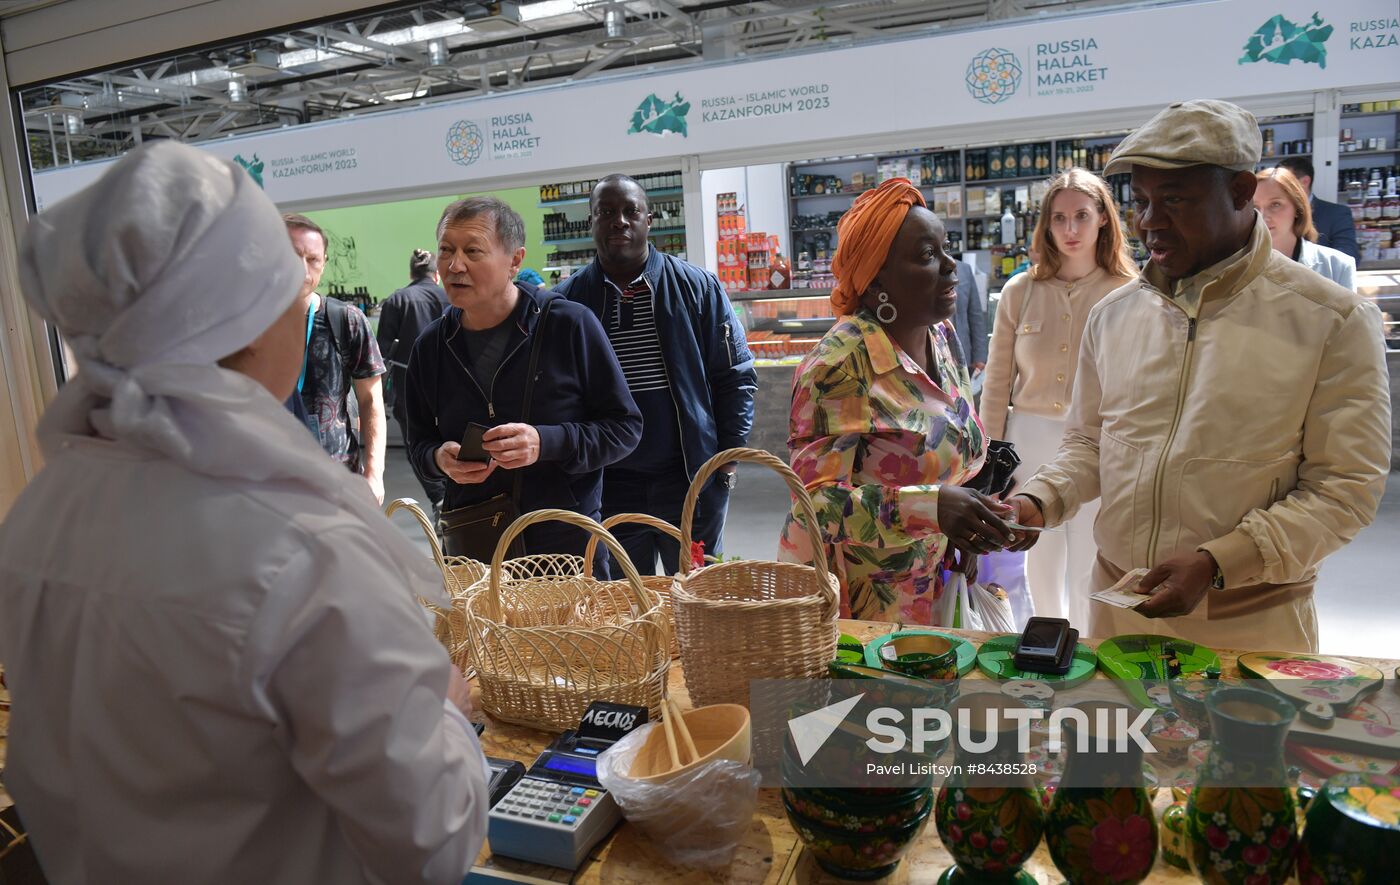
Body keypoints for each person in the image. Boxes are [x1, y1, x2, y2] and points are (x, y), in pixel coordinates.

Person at [0, 142, 490, 883]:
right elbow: (432, 837)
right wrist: (446, 711)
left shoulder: (41, 511)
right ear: (256, 322)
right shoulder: (301, 546)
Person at [1009, 100, 1391, 652]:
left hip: (1251, 631)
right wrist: (1038, 500)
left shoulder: (1331, 321)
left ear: (1239, 191)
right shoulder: (1115, 316)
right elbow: (1091, 444)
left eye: (1175, 200)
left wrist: (1218, 562)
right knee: (1120, 740)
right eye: (1141, 201)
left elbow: (1344, 491)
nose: (1149, 221)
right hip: (1118, 620)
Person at [778, 178, 1020, 624]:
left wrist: (965, 519)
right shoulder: (838, 366)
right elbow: (815, 504)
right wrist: (935, 508)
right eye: (928, 256)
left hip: (938, 580)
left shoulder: (941, 336)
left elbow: (955, 439)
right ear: (876, 284)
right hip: (864, 607)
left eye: (946, 248)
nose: (951, 266)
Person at [404, 196, 642, 562]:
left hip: (566, 548)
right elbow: (419, 443)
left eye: (473, 251)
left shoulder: (568, 325)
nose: (455, 265)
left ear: (514, 260)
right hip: (477, 550)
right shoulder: (430, 347)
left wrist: (545, 442)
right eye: (446, 250)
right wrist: (440, 459)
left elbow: (624, 428)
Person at [554, 174, 757, 575]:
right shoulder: (568, 304)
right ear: (591, 222)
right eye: (607, 213)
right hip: (609, 485)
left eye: (631, 211)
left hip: (689, 479)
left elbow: (734, 374)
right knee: (629, 602)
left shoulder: (698, 287)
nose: (620, 221)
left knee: (699, 596)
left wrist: (728, 457)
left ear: (650, 220)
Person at [980, 168, 1139, 628]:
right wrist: (991, 454)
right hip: (1029, 439)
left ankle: (1090, 645)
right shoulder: (1020, 290)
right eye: (1059, 218)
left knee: (1093, 553)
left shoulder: (1128, 291)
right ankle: (1049, 641)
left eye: (1082, 216)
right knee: (1038, 553)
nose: (1071, 230)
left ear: (1104, 220)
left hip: (1099, 440)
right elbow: (997, 381)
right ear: (1046, 225)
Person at [285, 213, 388, 503]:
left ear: (325, 262)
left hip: (338, 486)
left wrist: (374, 474)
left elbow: (371, 401)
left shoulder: (346, 320)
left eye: (313, 259)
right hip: (268, 487)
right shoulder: (249, 324)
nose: (303, 271)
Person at [377, 248, 450, 510]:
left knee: (417, 442)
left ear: (411, 272)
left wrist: (381, 395)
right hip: (451, 381)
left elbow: (382, 352)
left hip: (408, 384)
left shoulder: (397, 300)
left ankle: (438, 497)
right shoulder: (450, 296)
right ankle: (455, 497)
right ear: (437, 275)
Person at [1255, 166, 1356, 290]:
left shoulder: (1338, 266)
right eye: (1255, 207)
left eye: (1275, 204)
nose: (1263, 216)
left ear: (1297, 208)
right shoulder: (1237, 266)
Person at [1276, 156, 1359, 262]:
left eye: (1284, 183)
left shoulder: (1337, 214)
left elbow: (1348, 255)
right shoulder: (1267, 214)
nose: (1277, 188)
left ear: (1305, 181)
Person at [949, 258, 988, 373]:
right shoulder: (921, 268)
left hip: (962, 354)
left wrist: (980, 355)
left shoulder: (964, 269)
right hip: (931, 353)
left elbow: (975, 315)